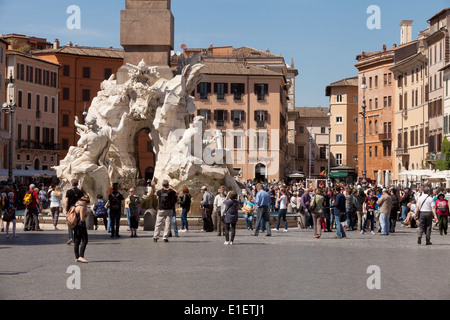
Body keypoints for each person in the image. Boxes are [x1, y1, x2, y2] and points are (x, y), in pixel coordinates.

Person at [65, 179, 85, 244]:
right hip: (78, 208)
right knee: (77, 223)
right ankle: (77, 238)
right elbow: (83, 201)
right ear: (77, 184)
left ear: (72, 184)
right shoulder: (80, 192)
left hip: (70, 208)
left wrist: (66, 209)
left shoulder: (69, 191)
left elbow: (66, 201)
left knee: (70, 222)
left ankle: (70, 237)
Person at [73, 195, 90, 263]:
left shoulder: (75, 205)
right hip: (81, 226)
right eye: (86, 203)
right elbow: (82, 219)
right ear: (84, 201)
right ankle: (81, 256)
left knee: (77, 241)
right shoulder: (81, 207)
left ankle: (77, 257)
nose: (86, 204)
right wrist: (86, 215)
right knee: (85, 240)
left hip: (75, 225)